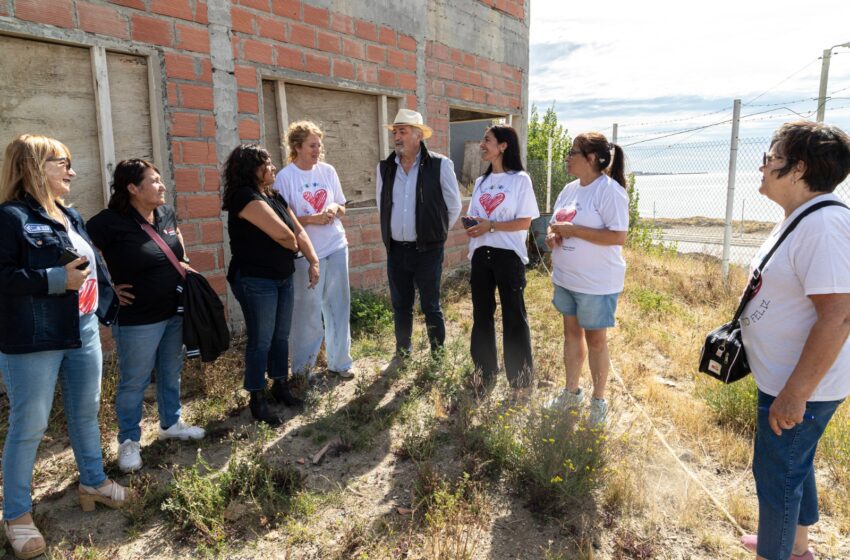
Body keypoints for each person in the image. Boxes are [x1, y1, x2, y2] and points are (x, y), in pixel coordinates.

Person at [0, 135, 129, 558]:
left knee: (85, 411)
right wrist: (56, 280)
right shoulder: (11, 218)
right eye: (63, 163)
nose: (72, 171)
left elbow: (90, 264)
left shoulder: (70, 214)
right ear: (36, 165)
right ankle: (17, 514)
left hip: (83, 329)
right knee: (30, 425)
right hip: (35, 337)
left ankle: (92, 481)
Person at [738, 121, 850, 560]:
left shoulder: (825, 227)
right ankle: (797, 545)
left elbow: (838, 317)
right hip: (787, 380)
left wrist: (795, 394)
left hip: (802, 386)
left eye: (771, 157)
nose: (762, 165)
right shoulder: (804, 218)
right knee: (793, 468)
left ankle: (776, 551)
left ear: (798, 168)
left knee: (777, 477)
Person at [87, 159, 205, 474]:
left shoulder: (165, 213)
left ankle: (171, 423)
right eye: (154, 181)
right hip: (138, 318)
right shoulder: (109, 222)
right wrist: (106, 288)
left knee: (170, 371)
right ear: (132, 188)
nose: (162, 185)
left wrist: (186, 263)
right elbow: (81, 250)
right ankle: (128, 441)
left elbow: (177, 244)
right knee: (134, 382)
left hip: (174, 312)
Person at [223, 144, 320, 426]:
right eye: (265, 163)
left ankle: (280, 385)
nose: (272, 167)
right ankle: (257, 397)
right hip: (256, 279)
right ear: (250, 169)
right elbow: (284, 234)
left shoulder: (273, 195)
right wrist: (291, 242)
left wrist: (312, 260)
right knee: (261, 339)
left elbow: (297, 230)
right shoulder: (244, 197)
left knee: (280, 336)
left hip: (281, 275)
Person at [545, 132, 628, 427]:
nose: (568, 157)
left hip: (596, 283)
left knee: (595, 340)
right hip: (566, 279)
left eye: (573, 152)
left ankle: (598, 401)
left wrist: (573, 230)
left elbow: (618, 236)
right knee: (571, 335)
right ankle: (571, 392)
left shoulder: (609, 191)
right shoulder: (569, 189)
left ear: (591, 158)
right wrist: (553, 236)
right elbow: (557, 226)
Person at [376, 109, 462, 363]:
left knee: (430, 305)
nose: (397, 137)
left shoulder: (440, 164)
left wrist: (437, 234)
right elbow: (384, 206)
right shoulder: (385, 168)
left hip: (428, 250)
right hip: (397, 250)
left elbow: (453, 205)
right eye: (395, 132)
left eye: (402, 131)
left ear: (418, 135)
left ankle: (438, 355)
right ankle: (403, 352)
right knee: (400, 305)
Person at [273, 121, 353, 380]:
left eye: (319, 145)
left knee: (339, 305)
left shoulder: (328, 171)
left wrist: (333, 210)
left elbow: (342, 205)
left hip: (336, 245)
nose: (317, 149)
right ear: (297, 147)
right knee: (307, 310)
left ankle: (340, 363)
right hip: (306, 254)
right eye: (312, 145)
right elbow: (284, 216)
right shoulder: (285, 177)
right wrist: (310, 219)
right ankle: (302, 372)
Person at [463, 125, 539, 389]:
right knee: (481, 314)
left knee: (513, 315)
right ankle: (485, 370)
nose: (482, 144)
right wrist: (473, 225)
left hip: (508, 256)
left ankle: (520, 378)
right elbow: (475, 215)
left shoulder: (520, 180)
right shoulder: (481, 183)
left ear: (503, 145)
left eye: (487, 140)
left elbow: (525, 221)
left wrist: (491, 226)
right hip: (480, 255)